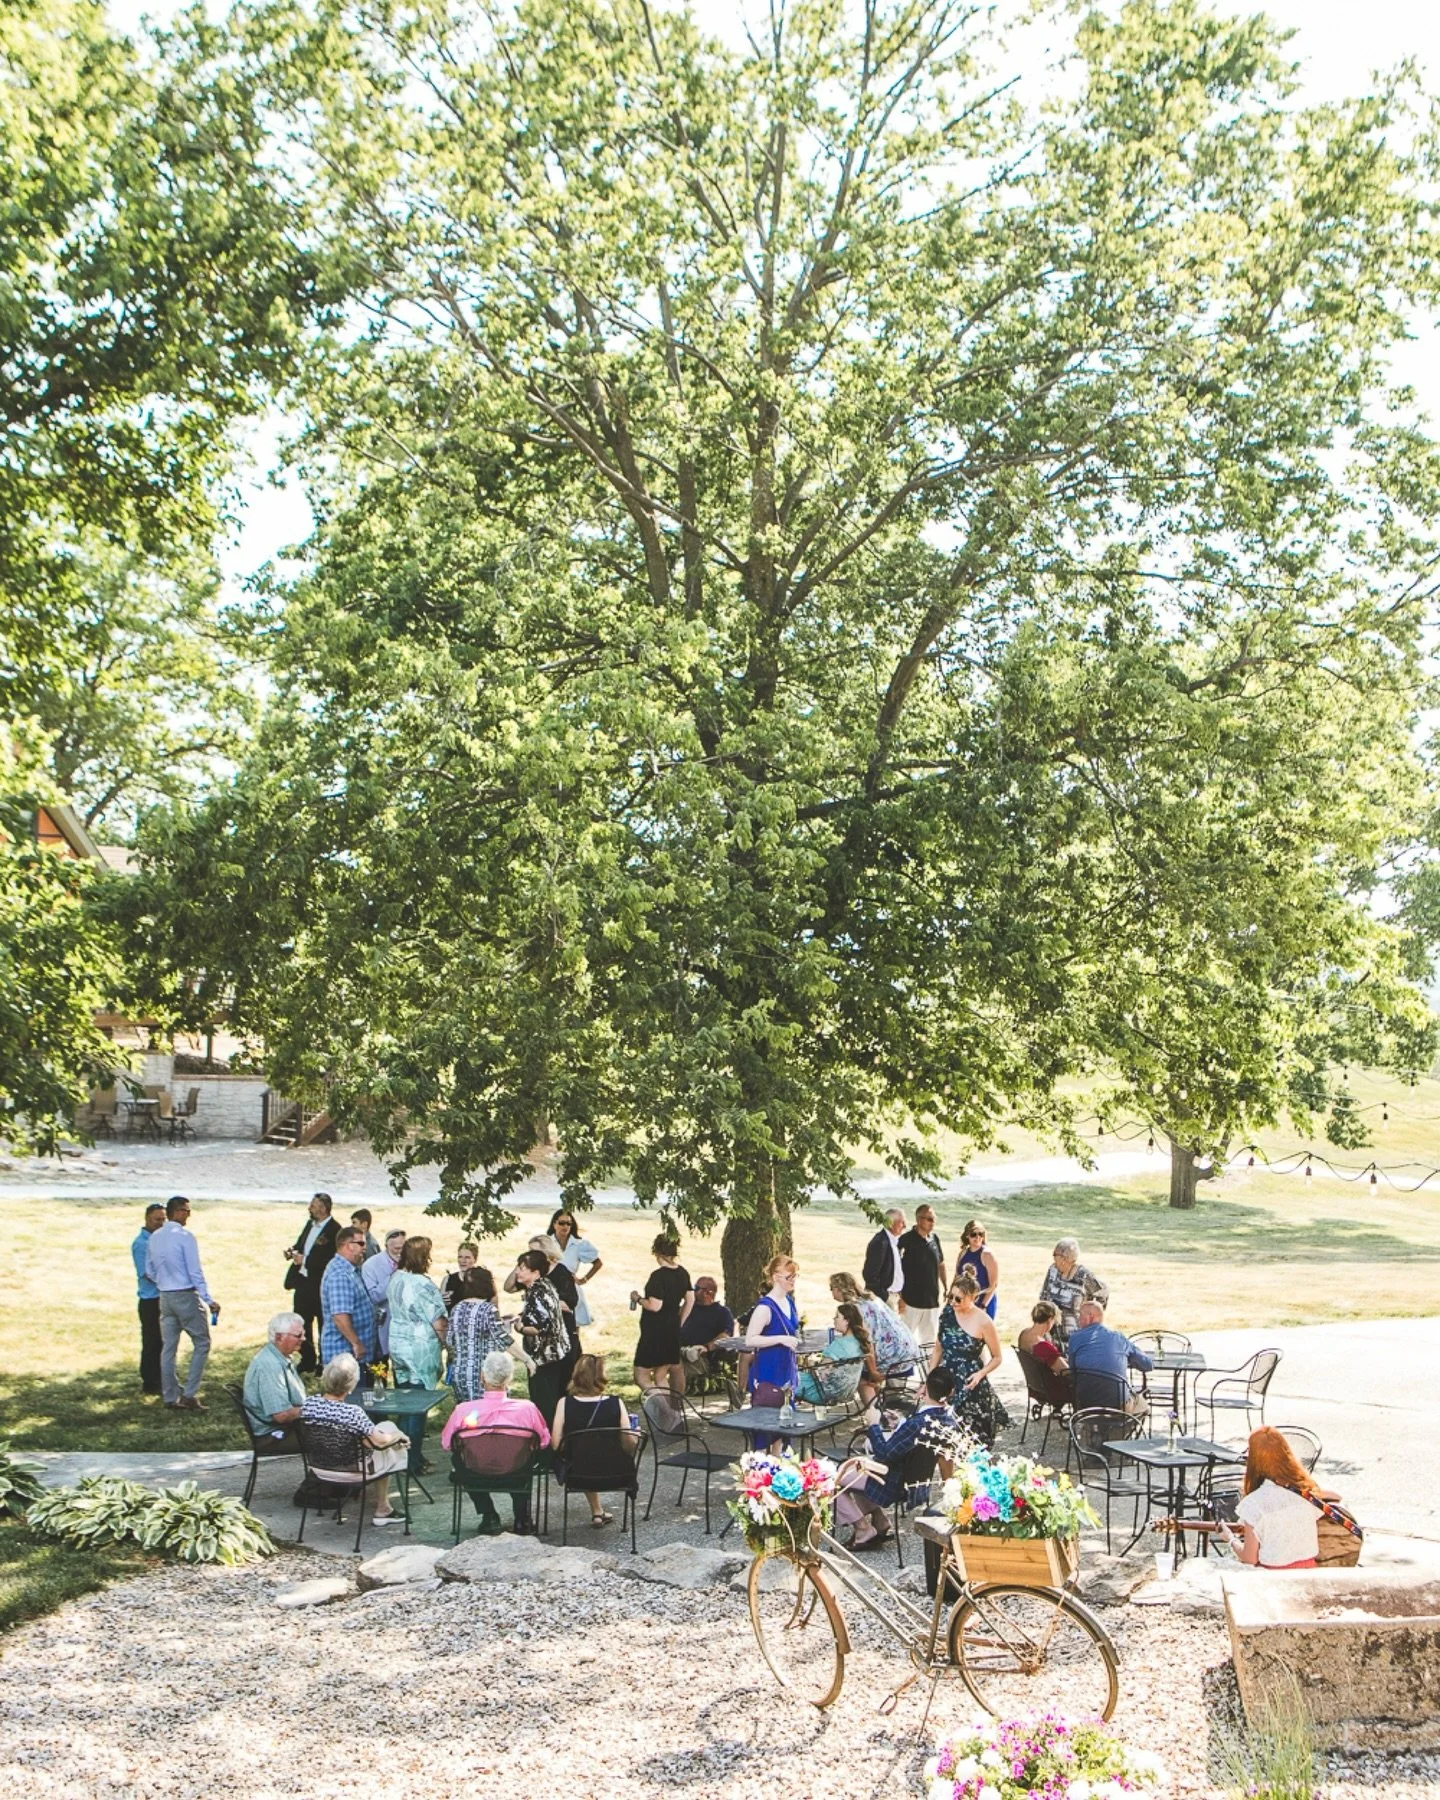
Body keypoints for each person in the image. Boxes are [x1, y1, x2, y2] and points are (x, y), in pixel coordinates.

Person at [835, 1367, 957, 1549]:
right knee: (858, 1467)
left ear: (924, 1388)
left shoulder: (917, 1423)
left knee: (834, 1478)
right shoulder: (947, 1420)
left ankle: (863, 1529)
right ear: (951, 1392)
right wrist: (900, 1424)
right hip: (916, 1485)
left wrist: (873, 1425)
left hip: (891, 1483)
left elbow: (884, 1454)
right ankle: (880, 1520)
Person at [441, 1349, 550, 1534]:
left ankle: (488, 1514)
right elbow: (544, 1442)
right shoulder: (528, 1409)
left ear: (482, 1377)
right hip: (516, 1473)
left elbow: (447, 1444)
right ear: (509, 1378)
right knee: (526, 1458)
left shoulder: (463, 1411)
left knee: (457, 1460)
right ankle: (522, 1518)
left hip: (476, 1474)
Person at [299, 1354, 408, 1526]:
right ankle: (383, 1509)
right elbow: (379, 1442)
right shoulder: (352, 1413)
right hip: (352, 1472)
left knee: (385, 1427)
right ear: (351, 1385)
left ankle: (381, 1504)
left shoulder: (309, 1404)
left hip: (319, 1469)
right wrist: (399, 1436)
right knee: (391, 1442)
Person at [145, 1194, 218, 1412]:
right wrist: (208, 1299)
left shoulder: (155, 1237)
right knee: (202, 1342)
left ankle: (170, 1396)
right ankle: (189, 1394)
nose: (189, 1215)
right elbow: (195, 1271)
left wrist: (163, 1281)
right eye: (186, 1211)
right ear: (177, 1212)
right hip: (184, 1294)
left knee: (168, 1347)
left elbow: (149, 1270)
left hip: (165, 1296)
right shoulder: (185, 1237)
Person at [553, 1352, 639, 1530]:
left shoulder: (564, 1403)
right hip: (617, 1474)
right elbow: (629, 1444)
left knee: (585, 1455)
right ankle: (598, 1512)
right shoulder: (616, 1403)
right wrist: (635, 1435)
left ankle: (597, 1511)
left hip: (578, 1475)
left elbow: (556, 1444)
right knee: (595, 1454)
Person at [387, 1236, 449, 1473]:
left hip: (398, 1343)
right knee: (418, 1405)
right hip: (419, 1348)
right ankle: (411, 1461)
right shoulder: (423, 1284)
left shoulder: (396, 1277)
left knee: (404, 1402)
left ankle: (404, 1456)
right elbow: (438, 1321)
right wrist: (448, 1345)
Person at [931, 1270, 1009, 1445]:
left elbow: (997, 1357)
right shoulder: (947, 1314)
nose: (953, 1302)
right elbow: (938, 1349)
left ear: (972, 1297)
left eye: (958, 1299)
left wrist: (980, 1374)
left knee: (974, 1439)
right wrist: (930, 1379)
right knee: (945, 1438)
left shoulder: (984, 1322)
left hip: (970, 1382)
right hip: (947, 1381)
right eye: (950, 1297)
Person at [1232, 1427, 1327, 1568]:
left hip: (1274, 1577)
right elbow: (1334, 1496)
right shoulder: (1307, 1493)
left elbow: (1250, 1558)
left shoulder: (1254, 1503)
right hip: (1309, 1571)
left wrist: (1231, 1540)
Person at [828, 1272, 919, 1398]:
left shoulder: (853, 1309)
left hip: (893, 1356)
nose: (831, 1293)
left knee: (860, 1374)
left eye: (831, 1289)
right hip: (907, 1349)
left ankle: (873, 1407)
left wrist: (873, 1371)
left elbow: (867, 1341)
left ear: (838, 1289)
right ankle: (881, 1402)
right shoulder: (871, 1298)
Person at [512, 1248, 573, 1426]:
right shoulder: (546, 1284)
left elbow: (538, 1328)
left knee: (544, 1404)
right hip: (557, 1352)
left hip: (544, 1357)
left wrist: (520, 1328)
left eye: (522, 1268)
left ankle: (548, 1439)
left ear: (535, 1272)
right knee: (552, 1400)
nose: (517, 1272)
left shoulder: (536, 1292)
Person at [282, 1191, 339, 1373]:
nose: (309, 1208)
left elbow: (329, 1260)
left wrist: (305, 1260)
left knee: (324, 1324)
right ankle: (307, 1358)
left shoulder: (334, 1230)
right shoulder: (310, 1224)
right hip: (303, 1281)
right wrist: (292, 1251)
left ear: (323, 1209)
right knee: (301, 1321)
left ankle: (324, 1361)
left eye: (313, 1206)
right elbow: (302, 1244)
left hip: (320, 1284)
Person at [631, 1234, 693, 1396]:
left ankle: (661, 1406)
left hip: (654, 1331)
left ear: (657, 1252)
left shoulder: (658, 1277)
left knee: (641, 1375)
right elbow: (690, 1300)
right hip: (672, 1329)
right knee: (660, 1376)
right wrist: (680, 1321)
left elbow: (655, 1306)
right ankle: (669, 1409)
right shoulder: (682, 1273)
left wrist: (638, 1299)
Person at [1067, 1299, 1151, 1414]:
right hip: (1118, 1404)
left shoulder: (1075, 1338)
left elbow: (1072, 1371)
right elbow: (1147, 1365)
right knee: (1144, 1406)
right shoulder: (1118, 1338)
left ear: (1090, 1316)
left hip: (1085, 1403)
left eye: (1080, 1315)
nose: (1078, 1319)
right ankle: (1125, 1425)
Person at [447, 1265, 512, 1401]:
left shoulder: (456, 1309)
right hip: (485, 1374)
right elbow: (503, 1340)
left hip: (460, 1373)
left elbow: (450, 1341)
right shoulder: (488, 1310)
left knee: (467, 1411)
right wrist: (527, 1360)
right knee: (488, 1411)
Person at [744, 1253, 801, 1406]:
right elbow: (750, 1340)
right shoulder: (765, 1307)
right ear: (776, 1277)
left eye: (795, 1276)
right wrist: (781, 1339)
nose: (793, 1280)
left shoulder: (789, 1301)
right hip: (768, 1369)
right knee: (768, 1411)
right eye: (789, 1277)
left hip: (787, 1367)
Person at [796, 1302, 877, 1406]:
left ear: (847, 1321)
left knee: (787, 1376)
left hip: (824, 1393)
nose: (834, 1319)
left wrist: (811, 1364)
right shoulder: (859, 1343)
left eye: (837, 1317)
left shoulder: (838, 1346)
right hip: (846, 1393)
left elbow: (822, 1374)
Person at [320, 1227, 377, 1370]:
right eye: (361, 1243)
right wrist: (356, 1343)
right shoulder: (340, 1275)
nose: (365, 1248)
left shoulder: (350, 1269)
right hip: (344, 1358)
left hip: (353, 1357)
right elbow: (340, 1316)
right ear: (348, 1245)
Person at [242, 1313, 306, 1439]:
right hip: (275, 1435)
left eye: (303, 1334)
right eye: (298, 1335)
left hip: (290, 1428)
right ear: (279, 1337)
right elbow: (281, 1415)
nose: (303, 1338)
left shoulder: (279, 1356)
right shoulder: (270, 1366)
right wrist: (315, 1409)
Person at [1039, 1237, 1108, 1347]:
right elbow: (1044, 1296)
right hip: (1052, 1332)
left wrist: (1093, 1318)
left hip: (1076, 1334)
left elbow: (1102, 1292)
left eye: (1055, 1255)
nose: (1053, 1258)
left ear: (1065, 1258)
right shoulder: (1053, 1270)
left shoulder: (1083, 1275)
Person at [897, 1205, 946, 1347]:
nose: (932, 1222)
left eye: (934, 1219)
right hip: (910, 1301)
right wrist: (900, 1297)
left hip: (931, 1301)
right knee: (905, 1341)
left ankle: (928, 1362)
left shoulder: (934, 1239)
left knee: (929, 1343)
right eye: (929, 1219)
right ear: (919, 1220)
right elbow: (895, 1270)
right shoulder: (905, 1240)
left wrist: (946, 1286)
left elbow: (941, 1264)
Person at [549, 1208, 603, 1332]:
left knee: (572, 1329)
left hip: (571, 1290)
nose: (565, 1226)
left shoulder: (579, 1244)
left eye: (569, 1223)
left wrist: (583, 1280)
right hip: (551, 1288)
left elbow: (598, 1263)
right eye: (562, 1223)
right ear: (554, 1224)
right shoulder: (547, 1243)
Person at [678, 1275, 736, 1393]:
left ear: (708, 1292)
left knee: (687, 1358)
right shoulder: (688, 1308)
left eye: (696, 1288)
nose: (693, 1291)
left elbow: (725, 1336)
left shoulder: (722, 1313)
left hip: (700, 1355)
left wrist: (707, 1347)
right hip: (678, 1349)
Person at [132, 1202, 165, 1395]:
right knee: (152, 1342)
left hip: (161, 1297)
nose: (160, 1223)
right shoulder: (141, 1244)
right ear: (147, 1219)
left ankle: (161, 1378)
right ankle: (150, 1382)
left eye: (163, 1219)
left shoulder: (158, 1240)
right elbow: (146, 1273)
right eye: (156, 1219)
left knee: (162, 1341)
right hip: (150, 1299)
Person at [361, 1228, 406, 1356]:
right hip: (382, 1326)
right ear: (386, 1246)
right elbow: (374, 1297)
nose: (400, 1252)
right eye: (396, 1249)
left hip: (404, 1328)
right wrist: (394, 1276)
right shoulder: (370, 1265)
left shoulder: (409, 1262)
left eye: (403, 1248)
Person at [862, 1208, 906, 1309]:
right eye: (902, 1222)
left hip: (893, 1296)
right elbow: (869, 1275)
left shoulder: (893, 1241)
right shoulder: (880, 1242)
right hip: (883, 1299)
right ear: (890, 1223)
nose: (905, 1226)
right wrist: (885, 1296)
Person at [957, 1219, 998, 1319]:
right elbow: (957, 1278)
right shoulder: (963, 1253)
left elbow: (993, 1286)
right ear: (967, 1235)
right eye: (973, 1234)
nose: (978, 1237)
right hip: (964, 1302)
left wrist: (983, 1306)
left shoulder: (987, 1254)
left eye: (981, 1234)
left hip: (983, 1302)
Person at [1018, 1301, 1068, 1374]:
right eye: (1054, 1321)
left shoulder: (1024, 1334)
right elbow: (1066, 1372)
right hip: (1049, 1379)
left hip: (1035, 1377)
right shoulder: (1042, 1346)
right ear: (1050, 1320)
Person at [443, 1242, 479, 1312]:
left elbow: (493, 1306)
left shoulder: (483, 1280)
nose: (463, 1261)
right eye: (460, 1257)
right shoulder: (448, 1279)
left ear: (475, 1259)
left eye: (467, 1257)